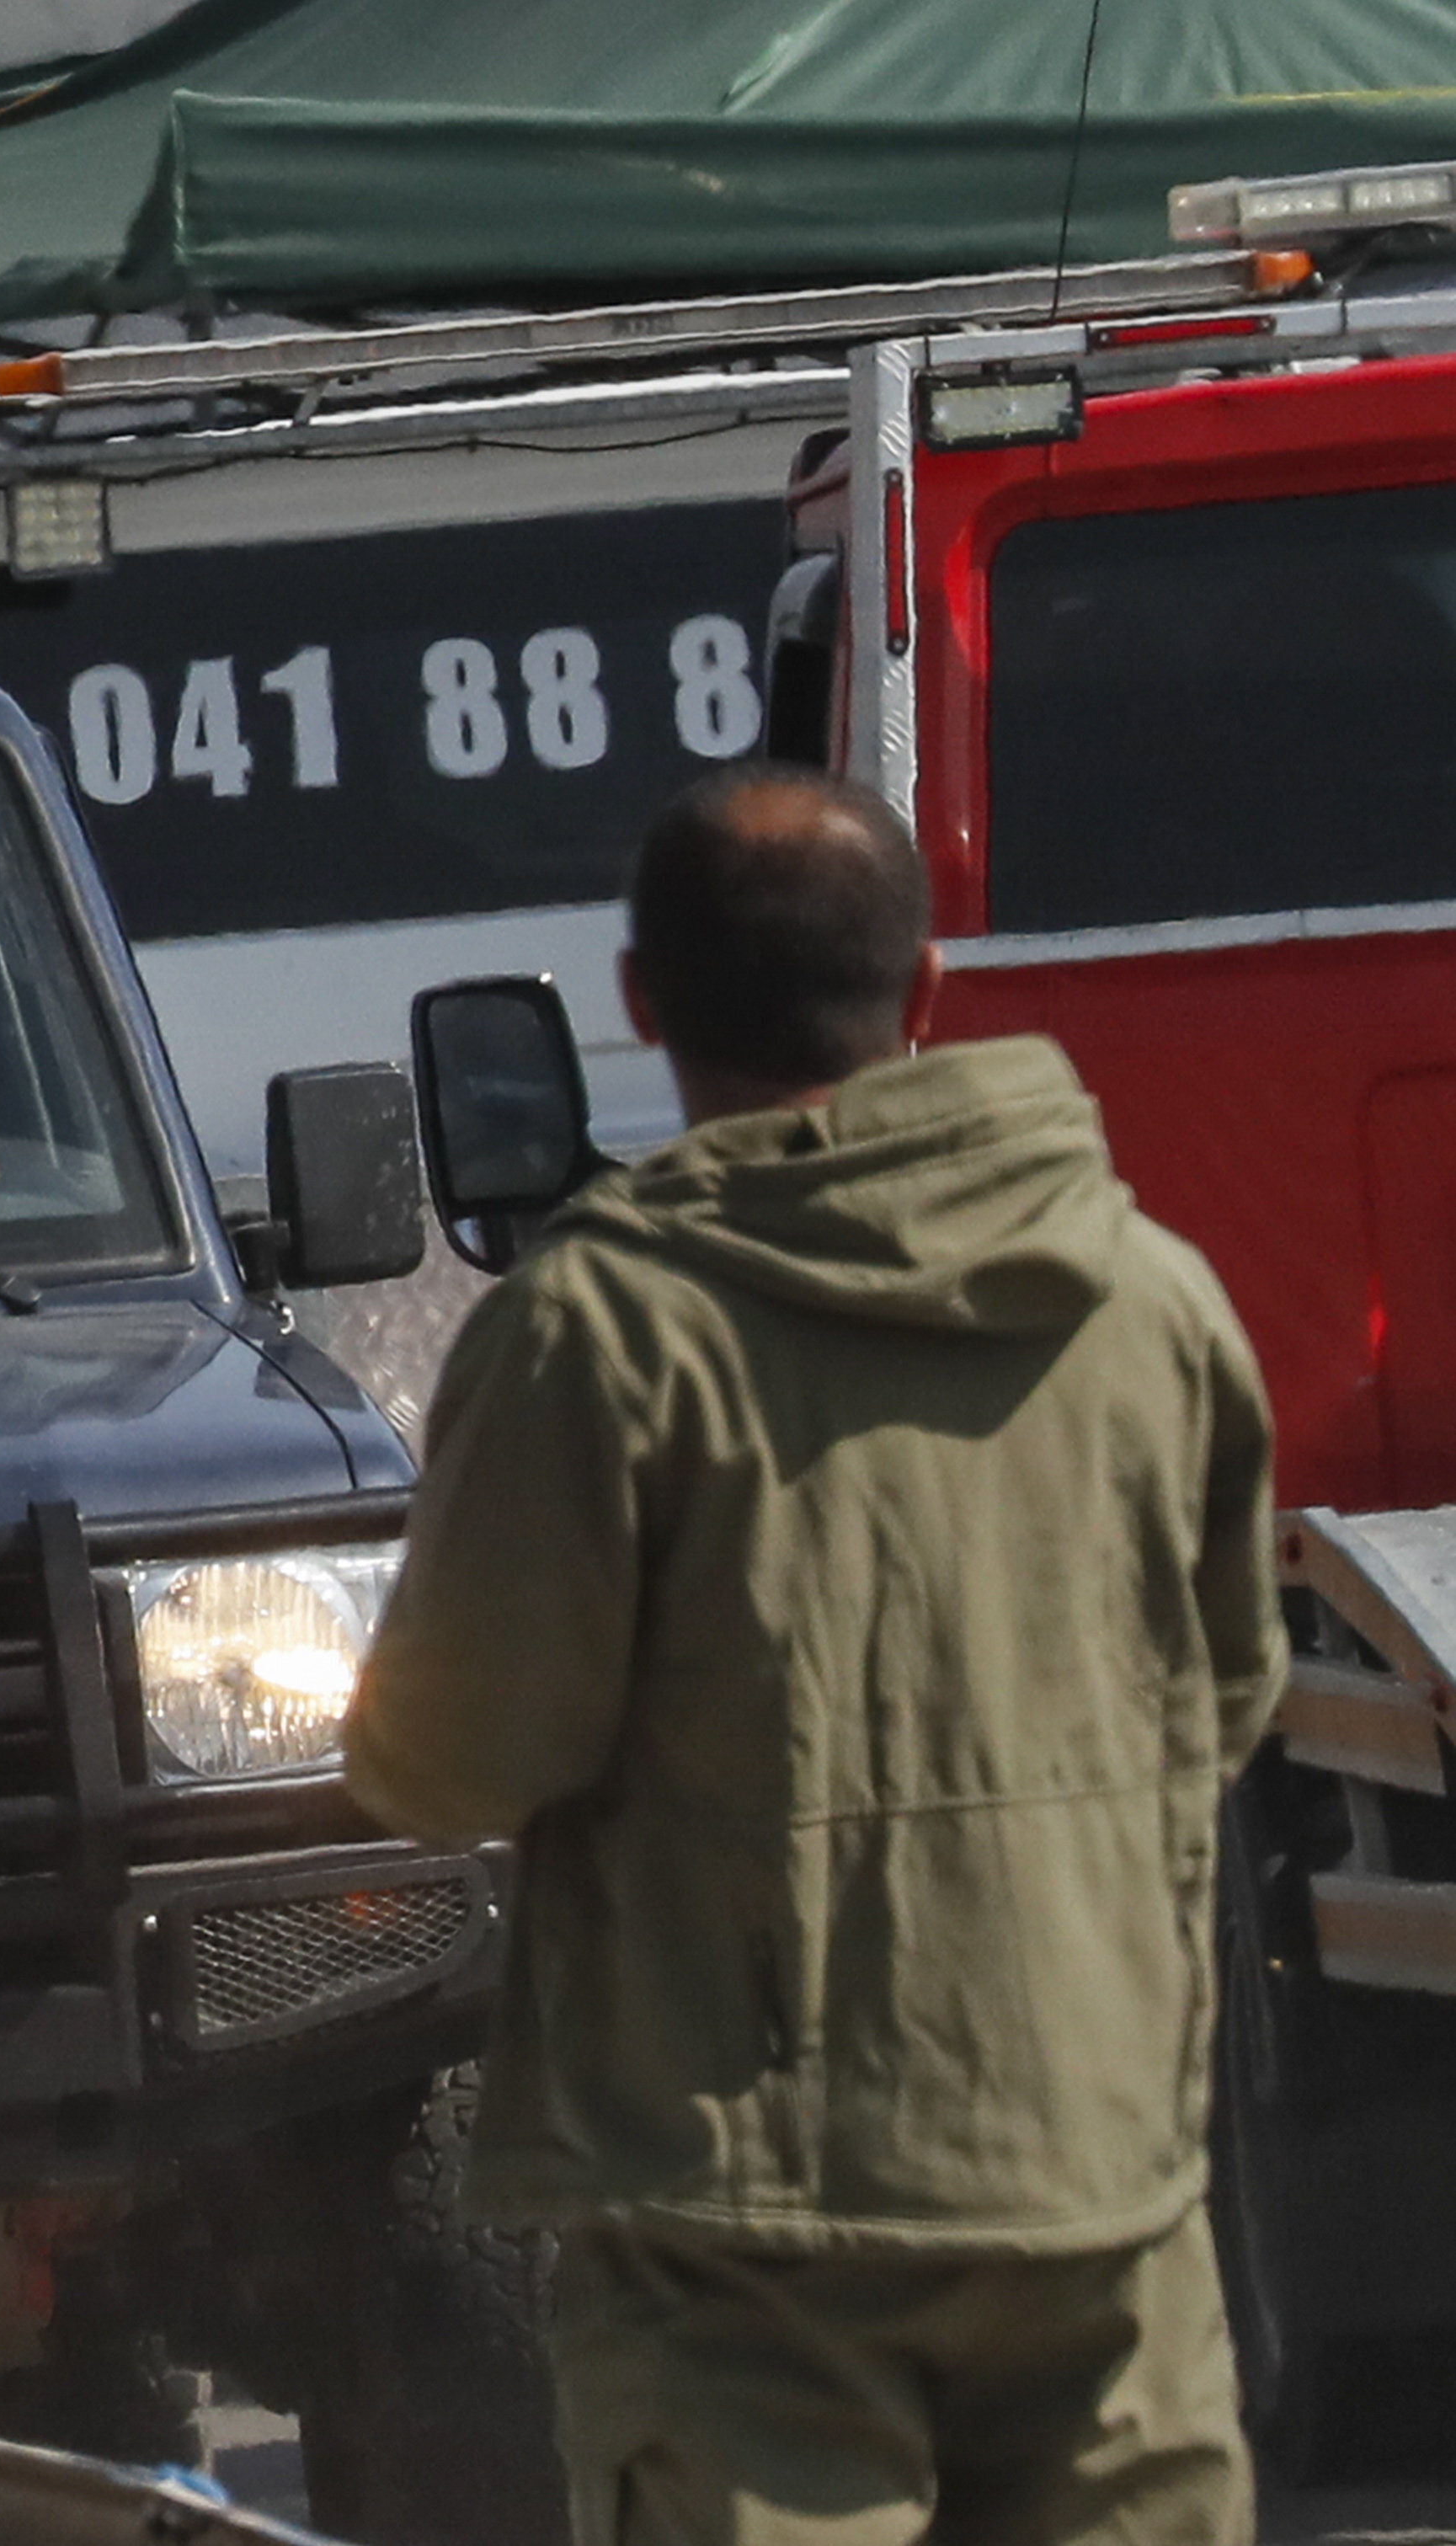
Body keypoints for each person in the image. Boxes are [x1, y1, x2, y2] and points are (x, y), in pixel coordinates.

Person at [343, 766, 1283, 2546]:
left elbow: (451, 1756)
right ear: (922, 990)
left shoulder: (598, 1337)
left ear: (638, 1002)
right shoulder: (1144, 1298)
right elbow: (1227, 1689)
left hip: (736, 2231)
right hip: (1090, 2169)